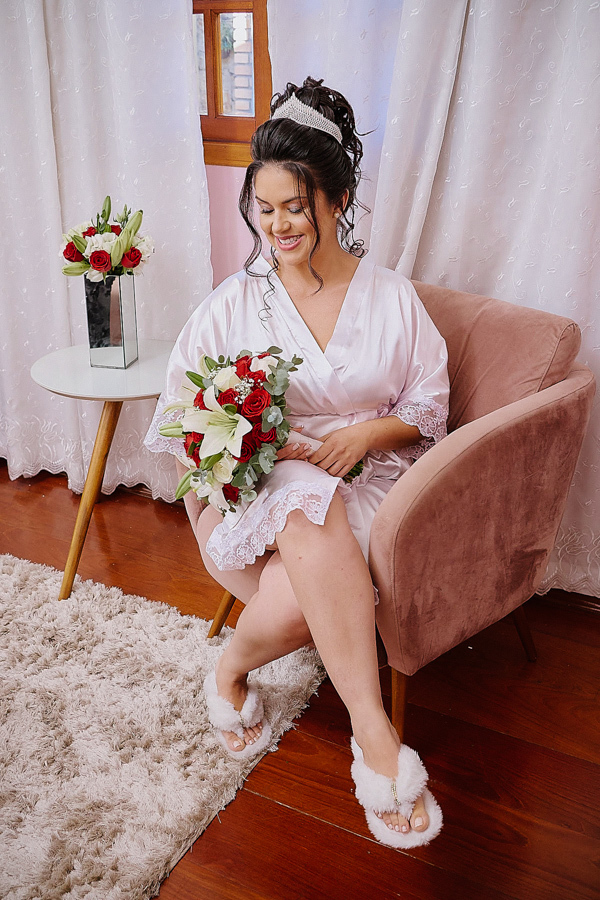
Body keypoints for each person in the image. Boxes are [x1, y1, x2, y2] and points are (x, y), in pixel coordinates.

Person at [145, 77, 449, 849]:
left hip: (375, 480)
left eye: (295, 206)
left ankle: (226, 671)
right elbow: (187, 415)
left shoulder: (392, 297)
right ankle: (373, 736)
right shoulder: (232, 303)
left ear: (339, 198)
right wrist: (256, 440)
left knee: (287, 602)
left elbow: (427, 409)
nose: (276, 225)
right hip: (264, 482)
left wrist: (365, 436)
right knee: (307, 498)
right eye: (265, 207)